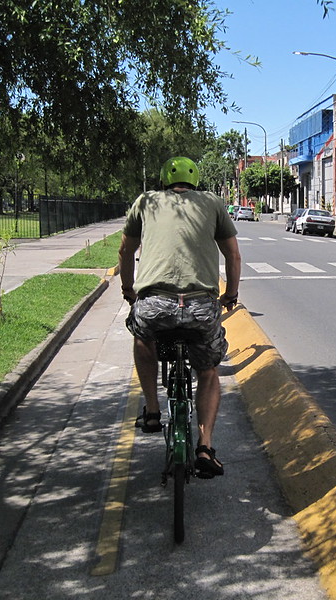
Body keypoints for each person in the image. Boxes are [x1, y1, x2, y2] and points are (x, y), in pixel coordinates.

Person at [118, 156, 241, 479]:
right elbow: (233, 254)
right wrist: (231, 295)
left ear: (163, 180)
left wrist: (129, 289)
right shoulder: (213, 203)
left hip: (155, 303)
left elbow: (125, 251)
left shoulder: (146, 201)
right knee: (209, 372)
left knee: (142, 335)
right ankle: (205, 445)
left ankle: (153, 412)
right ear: (196, 180)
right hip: (201, 306)